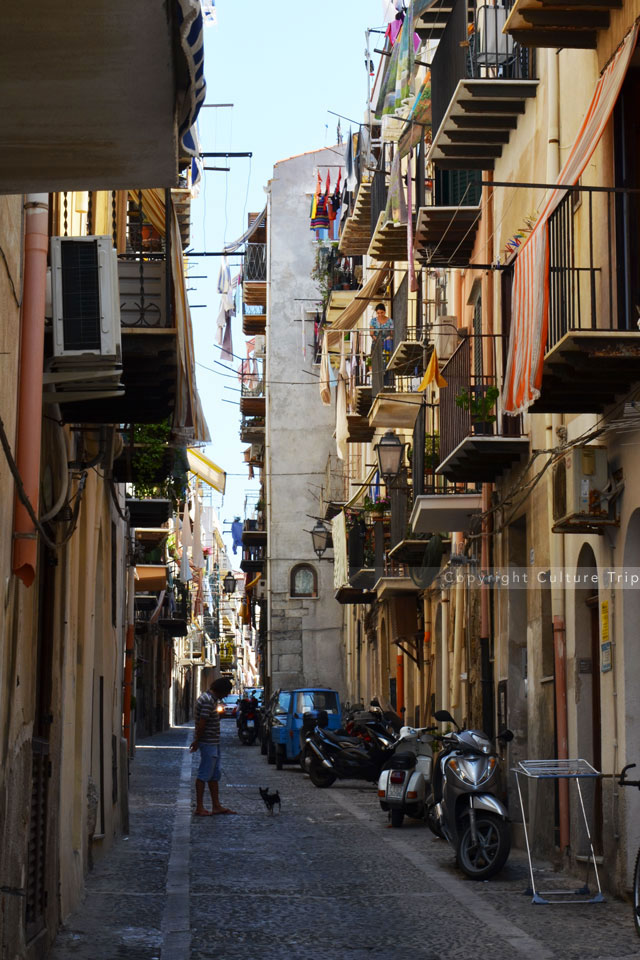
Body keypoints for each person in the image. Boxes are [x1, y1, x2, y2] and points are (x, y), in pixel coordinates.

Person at [190, 677, 236, 816]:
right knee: (204, 774)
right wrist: (197, 740)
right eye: (227, 692)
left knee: (214, 775)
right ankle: (199, 807)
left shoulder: (209, 699)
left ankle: (216, 805)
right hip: (208, 743)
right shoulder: (208, 701)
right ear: (221, 690)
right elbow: (202, 722)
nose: (227, 695)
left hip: (213, 742)